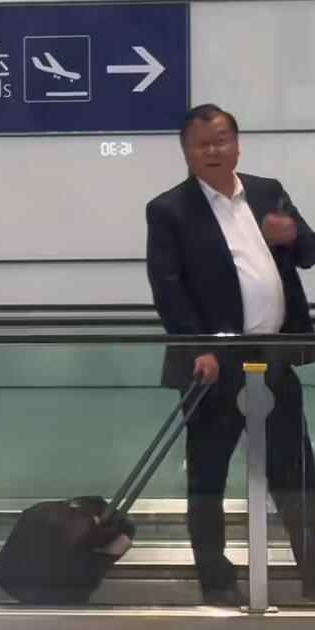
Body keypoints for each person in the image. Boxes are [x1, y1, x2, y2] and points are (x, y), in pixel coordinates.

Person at [146, 103, 315, 605]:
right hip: (213, 364)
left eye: (222, 140)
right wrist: (199, 347)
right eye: (202, 144)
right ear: (186, 152)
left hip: (274, 356)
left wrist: (294, 235)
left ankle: (313, 574)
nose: (214, 151)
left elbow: (309, 254)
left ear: (237, 145)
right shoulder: (169, 210)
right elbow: (168, 289)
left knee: (297, 472)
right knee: (208, 477)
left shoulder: (267, 191)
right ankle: (217, 582)